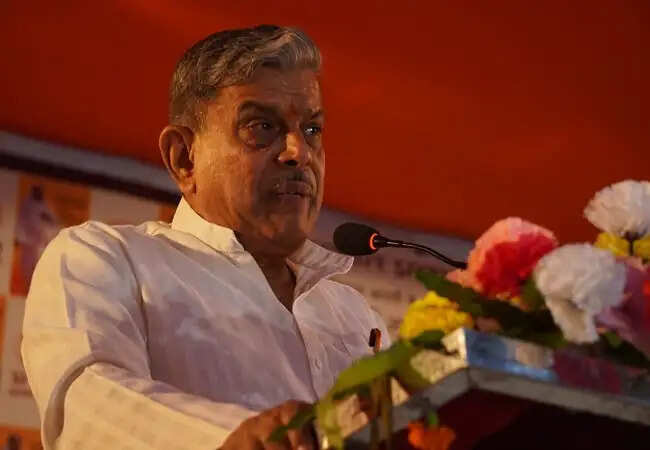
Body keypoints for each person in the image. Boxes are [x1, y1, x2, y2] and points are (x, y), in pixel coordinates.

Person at [22, 25, 389, 450]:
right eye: (261, 126)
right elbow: (87, 402)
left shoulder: (354, 316)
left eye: (312, 130)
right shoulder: (106, 259)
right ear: (184, 158)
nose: (299, 152)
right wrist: (236, 438)